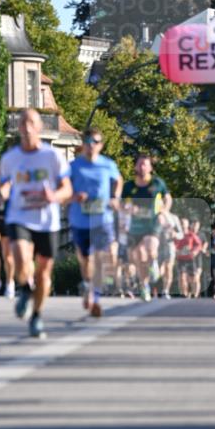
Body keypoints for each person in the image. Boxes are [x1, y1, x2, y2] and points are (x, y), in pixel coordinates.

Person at [0, 108, 72, 338]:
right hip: (19, 216)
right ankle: (24, 289)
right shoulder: (10, 158)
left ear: (39, 127)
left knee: (43, 274)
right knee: (21, 260)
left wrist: (54, 196)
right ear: (19, 128)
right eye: (23, 122)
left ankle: (37, 316)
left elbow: (67, 189)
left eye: (31, 122)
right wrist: (0, 193)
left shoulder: (52, 156)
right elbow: (4, 184)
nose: (27, 127)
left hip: (47, 221)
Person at [67, 129, 122, 317]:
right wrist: (74, 196)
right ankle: (88, 286)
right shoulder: (73, 166)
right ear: (83, 144)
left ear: (101, 145)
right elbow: (63, 189)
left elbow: (118, 180)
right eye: (88, 141)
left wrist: (115, 197)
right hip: (80, 220)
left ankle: (95, 297)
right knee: (86, 260)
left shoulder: (108, 165)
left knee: (101, 257)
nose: (91, 145)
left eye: (95, 141)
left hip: (103, 219)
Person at [122, 154, 171, 302]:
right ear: (135, 167)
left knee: (150, 247)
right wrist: (128, 209)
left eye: (145, 164)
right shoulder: (129, 186)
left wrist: (163, 212)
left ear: (150, 167)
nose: (142, 167)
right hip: (135, 225)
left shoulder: (157, 183)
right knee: (140, 256)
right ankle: (144, 286)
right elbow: (122, 204)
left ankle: (154, 264)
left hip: (153, 222)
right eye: (140, 164)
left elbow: (168, 199)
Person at [157, 206, 184, 299]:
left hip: (169, 245)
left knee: (168, 268)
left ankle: (166, 290)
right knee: (159, 270)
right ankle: (158, 287)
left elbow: (181, 234)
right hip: (158, 245)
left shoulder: (174, 217)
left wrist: (175, 234)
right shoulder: (156, 216)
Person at [174, 217, 203, 298]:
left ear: (187, 225)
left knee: (193, 278)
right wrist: (176, 251)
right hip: (180, 259)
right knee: (182, 277)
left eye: (184, 223)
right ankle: (184, 294)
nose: (182, 225)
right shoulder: (177, 235)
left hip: (190, 259)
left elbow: (199, 244)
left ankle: (195, 294)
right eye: (181, 223)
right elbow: (173, 245)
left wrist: (195, 251)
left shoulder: (191, 235)